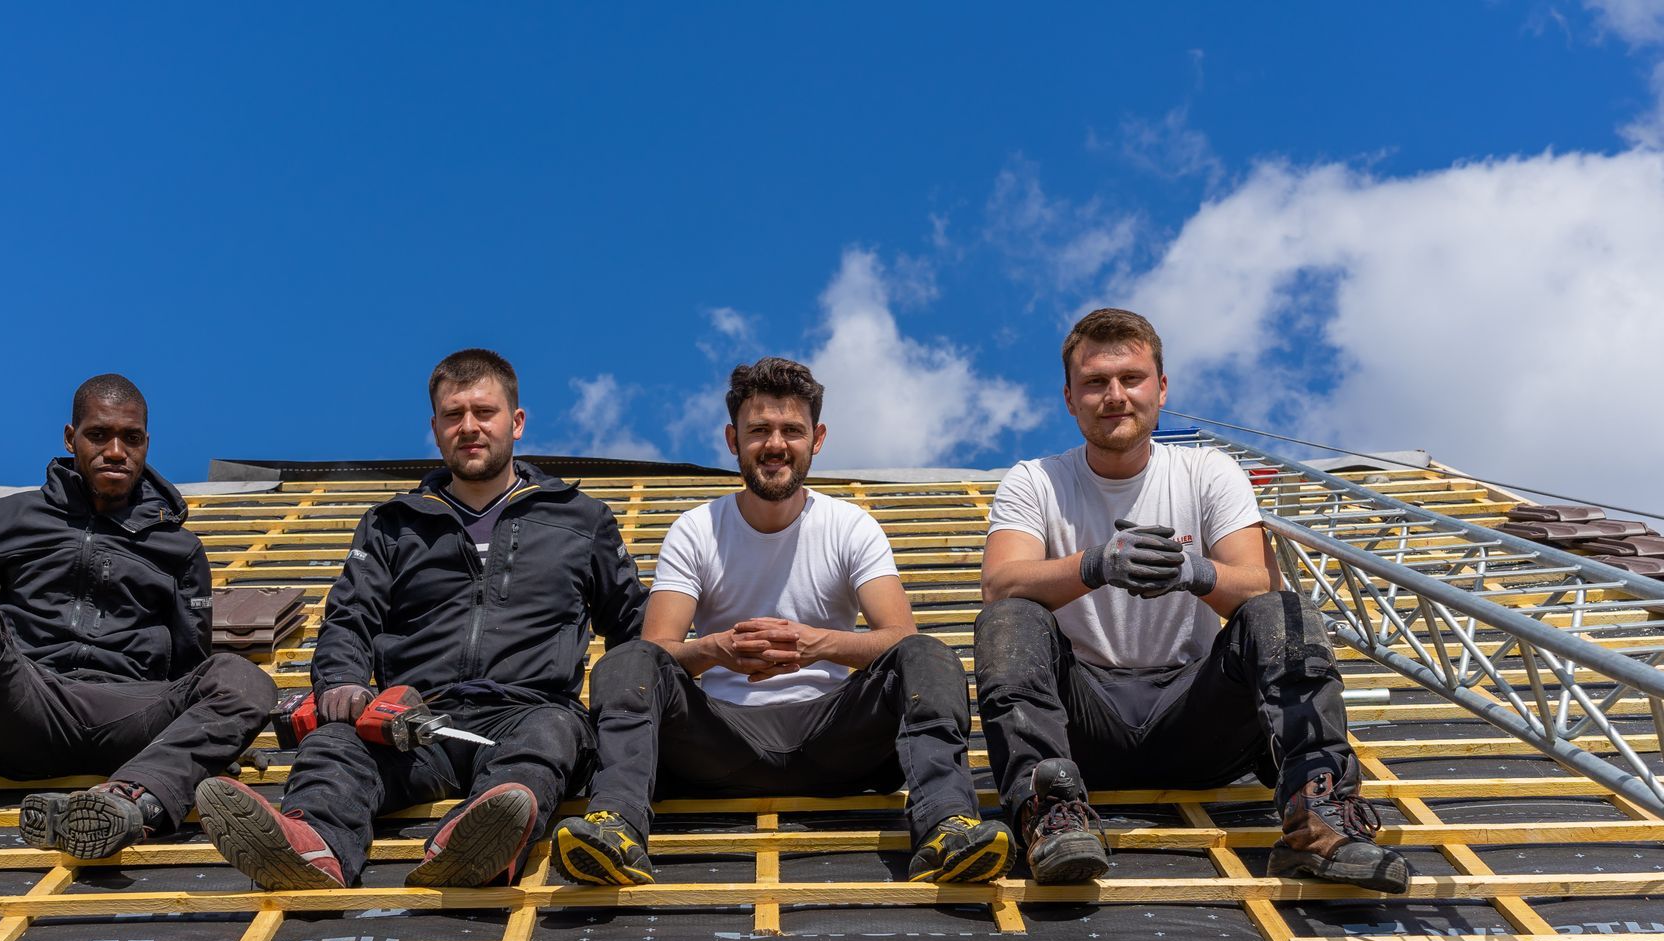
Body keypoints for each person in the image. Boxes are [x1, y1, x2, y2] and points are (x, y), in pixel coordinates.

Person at [975, 308, 1408, 892]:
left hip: (1196, 717)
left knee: (1281, 611)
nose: (1115, 396)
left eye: (1131, 378)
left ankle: (1319, 819)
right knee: (1012, 616)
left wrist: (1195, 572)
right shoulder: (1035, 481)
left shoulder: (1209, 471)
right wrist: (1096, 565)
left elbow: (1258, 586)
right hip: (1081, 729)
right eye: (1096, 383)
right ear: (1069, 398)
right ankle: (1049, 813)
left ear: (1161, 388)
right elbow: (999, 584)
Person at [195, 348, 647, 889]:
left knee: (549, 739)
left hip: (528, 709)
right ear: (435, 429)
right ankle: (313, 848)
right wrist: (340, 682)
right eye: (454, 415)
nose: (470, 427)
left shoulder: (581, 519)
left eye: (485, 411)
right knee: (334, 747)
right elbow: (350, 617)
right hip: (412, 720)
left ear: (517, 422)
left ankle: (475, 843)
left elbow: (634, 631)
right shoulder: (392, 524)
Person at [551, 356, 1010, 886]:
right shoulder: (697, 530)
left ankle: (946, 826)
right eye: (759, 431)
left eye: (791, 430)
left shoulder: (849, 526)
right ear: (732, 439)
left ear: (816, 439)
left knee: (928, 654)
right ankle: (617, 826)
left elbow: (899, 639)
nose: (775, 445)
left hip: (835, 739)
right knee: (627, 659)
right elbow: (656, 653)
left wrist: (817, 645)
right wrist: (717, 650)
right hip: (719, 739)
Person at [0, 374, 276, 859]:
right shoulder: (3, 521)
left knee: (244, 680)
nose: (116, 450)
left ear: (146, 443)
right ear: (70, 438)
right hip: (27, 707)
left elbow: (190, 662)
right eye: (99, 435)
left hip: (131, 717)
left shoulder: (179, 550)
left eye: (131, 438)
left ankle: (130, 801)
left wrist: (211, 745)